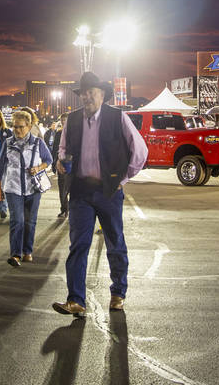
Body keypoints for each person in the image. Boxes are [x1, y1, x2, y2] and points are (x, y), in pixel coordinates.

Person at [52, 72, 148, 317]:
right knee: (78, 245)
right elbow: (63, 149)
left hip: (108, 191)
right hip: (81, 191)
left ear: (102, 95)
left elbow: (140, 150)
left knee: (115, 242)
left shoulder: (117, 117)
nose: (86, 96)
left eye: (91, 91)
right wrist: (61, 162)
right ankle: (76, 300)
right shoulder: (72, 120)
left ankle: (118, 293)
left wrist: (123, 179)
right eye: (83, 92)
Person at [0, 108, 52, 267]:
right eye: (15, 126)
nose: (17, 130)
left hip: (33, 188)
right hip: (13, 188)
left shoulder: (38, 143)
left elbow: (49, 159)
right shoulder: (8, 143)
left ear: (28, 126)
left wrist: (39, 167)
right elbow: (0, 167)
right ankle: (15, 254)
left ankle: (27, 251)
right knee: (17, 221)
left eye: (21, 126)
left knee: (30, 222)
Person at [48, 114, 70, 220]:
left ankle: (71, 208)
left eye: (65, 120)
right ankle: (64, 209)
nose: (63, 122)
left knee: (72, 189)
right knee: (62, 189)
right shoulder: (59, 133)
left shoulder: (75, 132)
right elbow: (54, 149)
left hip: (73, 165)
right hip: (61, 164)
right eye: (62, 120)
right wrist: (54, 163)